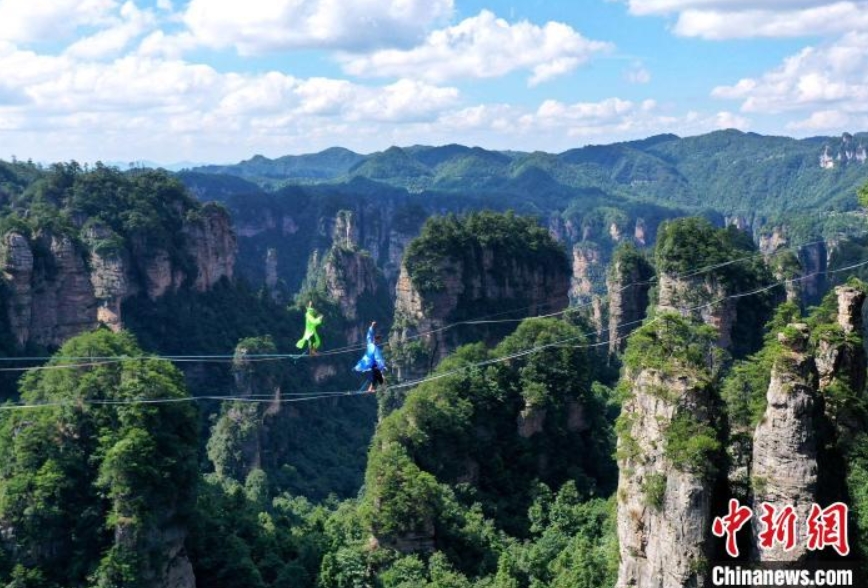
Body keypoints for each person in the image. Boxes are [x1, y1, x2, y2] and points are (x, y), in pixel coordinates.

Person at [354, 321, 386, 393]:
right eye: (377, 340)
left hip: (368, 362)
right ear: (377, 341)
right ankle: (382, 386)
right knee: (379, 376)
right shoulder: (376, 349)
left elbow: (369, 335)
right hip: (371, 363)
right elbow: (379, 359)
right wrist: (382, 367)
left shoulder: (370, 343)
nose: (377, 341)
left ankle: (372, 388)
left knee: (376, 376)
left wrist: (372, 326)